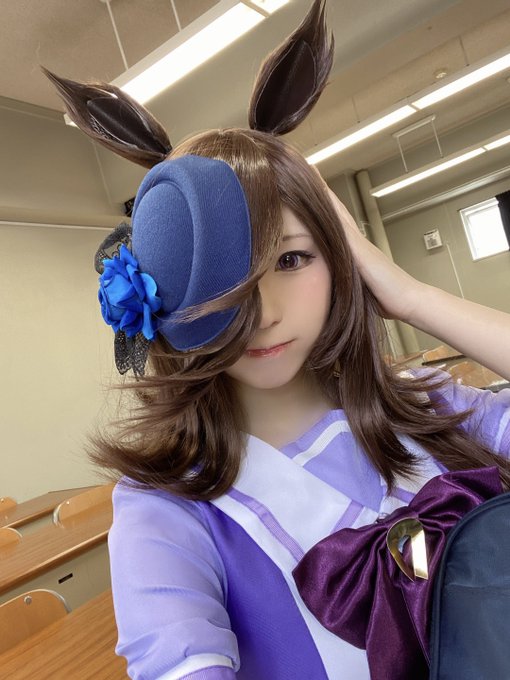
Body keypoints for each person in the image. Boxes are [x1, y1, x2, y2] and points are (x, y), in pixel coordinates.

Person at [44, 1, 510, 678]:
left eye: (292, 259)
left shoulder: (431, 406)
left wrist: (409, 295)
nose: (261, 313)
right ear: (164, 293)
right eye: (226, 278)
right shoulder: (165, 511)